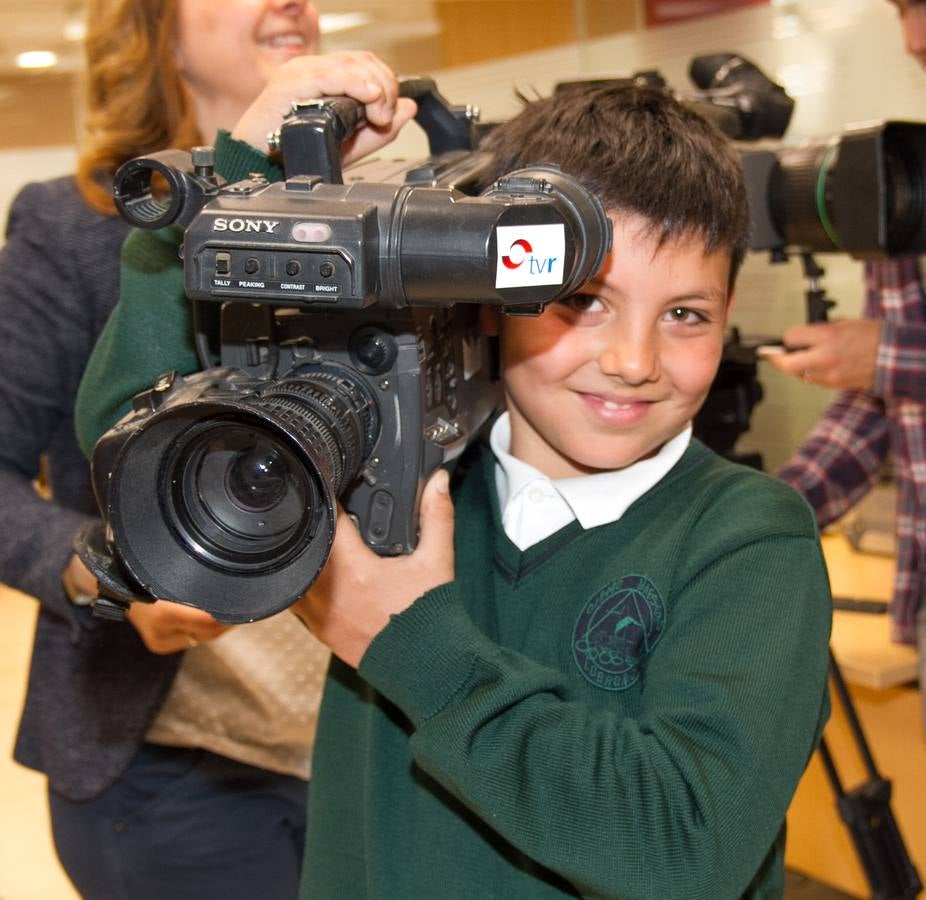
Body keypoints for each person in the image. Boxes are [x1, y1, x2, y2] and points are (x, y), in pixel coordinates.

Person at [76, 82, 833, 898]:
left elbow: (686, 846)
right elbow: (139, 441)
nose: (633, 360)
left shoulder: (752, 540)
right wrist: (242, 167)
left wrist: (407, 642)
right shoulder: (393, 483)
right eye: (581, 300)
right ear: (491, 298)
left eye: (686, 314)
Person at [0, 0, 413, 896]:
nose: (290, 2)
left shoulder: (390, 207)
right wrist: (94, 573)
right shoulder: (70, 227)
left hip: (368, 747)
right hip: (175, 768)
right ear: (154, 29)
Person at [767, 0, 926, 726]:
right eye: (901, 10)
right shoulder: (901, 182)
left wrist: (888, 354)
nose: (913, 38)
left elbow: (889, 369)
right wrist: (771, 518)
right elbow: (883, 408)